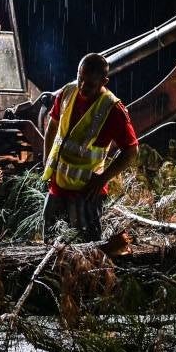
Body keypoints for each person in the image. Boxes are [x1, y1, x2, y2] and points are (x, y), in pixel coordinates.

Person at [41, 53, 139, 242]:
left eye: (90, 84)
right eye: (80, 79)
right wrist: (47, 163)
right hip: (57, 186)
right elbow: (52, 127)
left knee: (86, 247)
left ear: (104, 81)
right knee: (50, 243)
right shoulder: (67, 92)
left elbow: (132, 151)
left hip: (86, 194)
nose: (83, 87)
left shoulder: (112, 109)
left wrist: (103, 178)